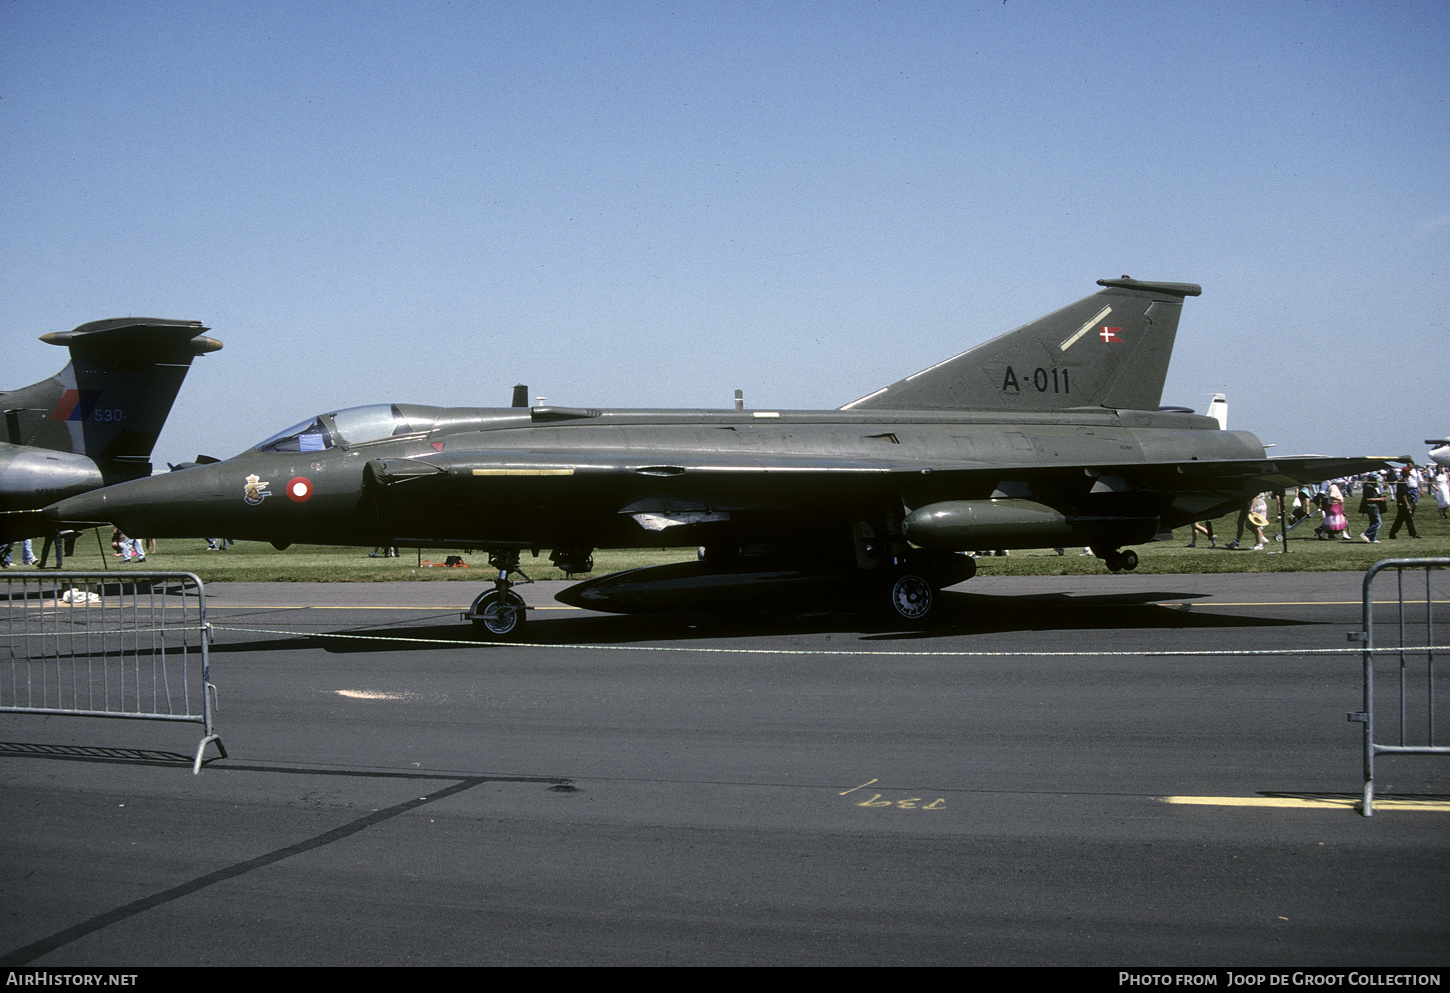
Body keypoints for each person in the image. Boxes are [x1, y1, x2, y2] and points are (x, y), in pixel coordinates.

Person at [1388, 467, 1422, 539]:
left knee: (1399, 520)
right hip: (1402, 504)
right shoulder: (1402, 483)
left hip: (1401, 503)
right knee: (1408, 519)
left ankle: (1392, 534)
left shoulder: (1402, 482)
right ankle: (1413, 534)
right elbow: (1404, 495)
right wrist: (1407, 504)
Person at [1358, 473, 1387, 543]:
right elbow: (1368, 499)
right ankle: (1366, 534)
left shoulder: (1372, 486)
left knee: (1373, 522)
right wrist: (1381, 499)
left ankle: (1373, 538)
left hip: (1374, 506)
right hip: (1371, 507)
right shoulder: (1369, 487)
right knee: (1378, 522)